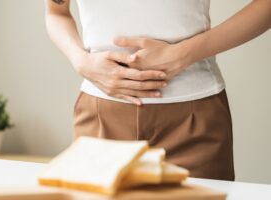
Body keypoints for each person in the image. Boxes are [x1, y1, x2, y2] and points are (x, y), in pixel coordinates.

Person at [44, 0, 271, 181]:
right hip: (102, 119)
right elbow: (56, 12)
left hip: (193, 121)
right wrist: (81, 61)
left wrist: (183, 54)